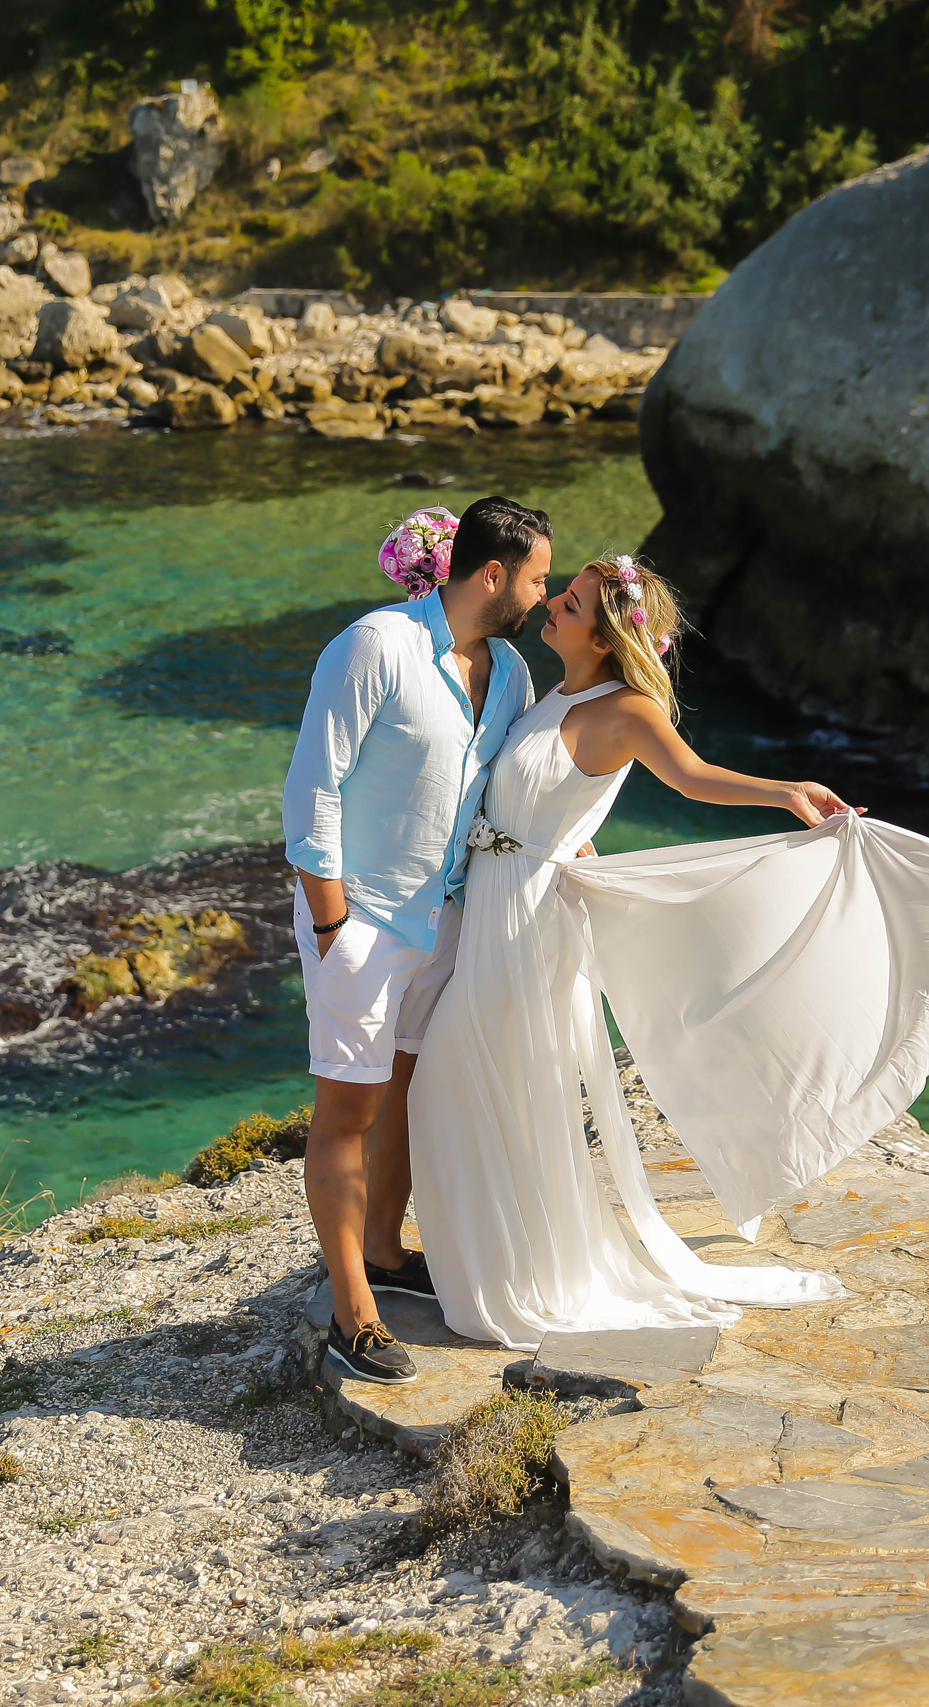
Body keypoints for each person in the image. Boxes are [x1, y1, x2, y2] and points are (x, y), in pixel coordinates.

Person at [404, 555, 929, 1348]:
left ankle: (520, 1275)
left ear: (605, 639)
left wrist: (783, 792)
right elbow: (549, 797)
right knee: (485, 1086)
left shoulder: (629, 709)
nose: (552, 606)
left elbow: (693, 777)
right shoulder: (548, 693)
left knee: (471, 1082)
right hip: (500, 903)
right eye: (563, 595)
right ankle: (503, 1262)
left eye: (569, 604)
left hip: (529, 923)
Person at [279, 496, 553, 1384]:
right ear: (493, 574)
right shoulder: (374, 646)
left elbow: (506, 790)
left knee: (402, 1092)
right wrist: (333, 923)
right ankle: (352, 1314)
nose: (543, 597)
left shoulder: (510, 673)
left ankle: (385, 1251)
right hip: (362, 921)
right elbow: (313, 787)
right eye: (538, 579)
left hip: (447, 919)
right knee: (347, 1111)